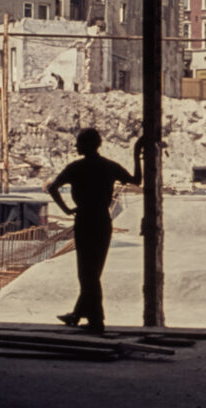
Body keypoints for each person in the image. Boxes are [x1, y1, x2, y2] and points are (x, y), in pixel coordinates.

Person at [47, 128, 145, 333]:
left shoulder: (75, 168)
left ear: (85, 145)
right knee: (93, 272)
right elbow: (136, 180)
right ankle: (78, 313)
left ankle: (96, 320)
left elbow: (52, 187)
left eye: (79, 143)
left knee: (87, 273)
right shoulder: (109, 166)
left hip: (84, 220)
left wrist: (66, 209)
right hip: (102, 221)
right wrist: (137, 153)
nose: (76, 146)